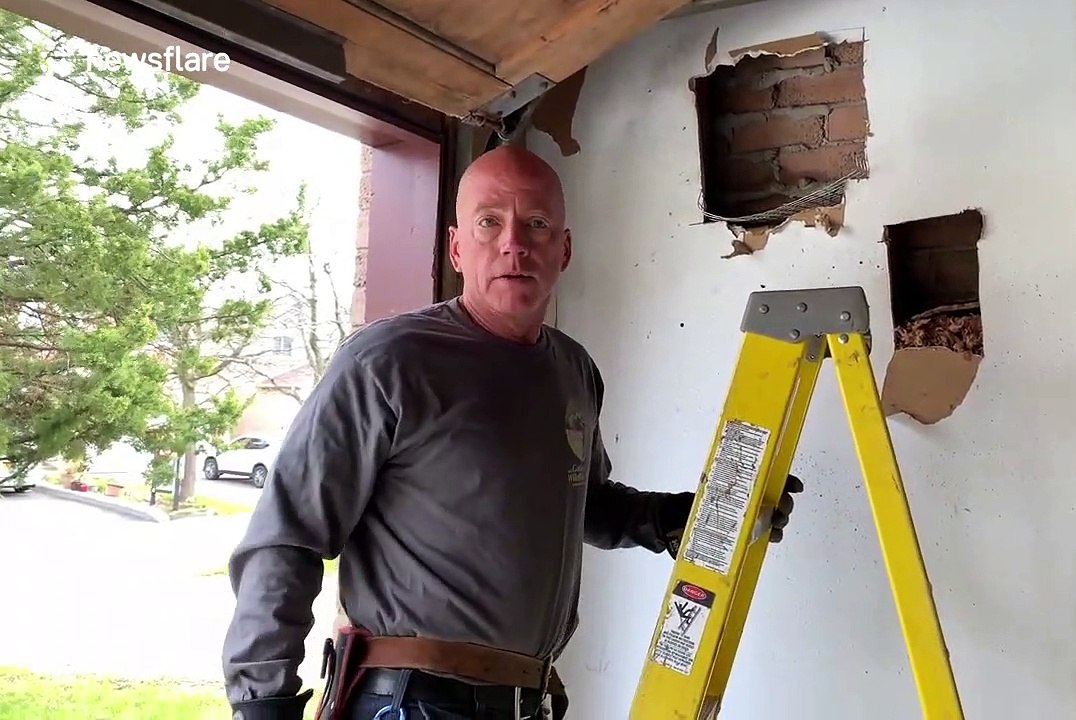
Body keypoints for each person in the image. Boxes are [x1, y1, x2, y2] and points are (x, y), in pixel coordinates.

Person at [220, 144, 803, 720]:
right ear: (456, 246)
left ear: (564, 249)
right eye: (489, 222)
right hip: (408, 702)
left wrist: (682, 517)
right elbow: (287, 535)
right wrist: (263, 702)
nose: (514, 244)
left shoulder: (572, 370)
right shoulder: (388, 361)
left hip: (528, 700)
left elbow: (584, 505)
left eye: (537, 224)